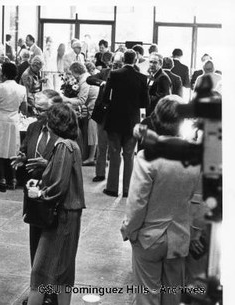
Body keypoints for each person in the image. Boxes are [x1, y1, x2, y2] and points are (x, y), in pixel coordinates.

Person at [121, 95, 201, 305]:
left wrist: (129, 230)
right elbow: (195, 199)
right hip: (179, 235)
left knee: (148, 295)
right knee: (172, 295)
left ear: (156, 119)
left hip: (149, 237)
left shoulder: (148, 157)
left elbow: (137, 202)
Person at [25, 103, 85, 305]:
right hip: (71, 214)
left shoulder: (62, 146)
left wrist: (38, 192)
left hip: (62, 216)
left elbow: (58, 187)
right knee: (63, 271)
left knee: (40, 271)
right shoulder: (72, 144)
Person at [11, 89, 63, 266]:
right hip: (33, 195)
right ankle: (37, 289)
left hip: (53, 196)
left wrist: (47, 164)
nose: (36, 113)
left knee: (53, 247)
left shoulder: (64, 132)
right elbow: (27, 149)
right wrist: (23, 157)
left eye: (42, 110)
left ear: (55, 109)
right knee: (35, 243)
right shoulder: (33, 127)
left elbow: (68, 165)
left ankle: (50, 291)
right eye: (35, 108)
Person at [102, 50, 149, 198]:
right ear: (135, 60)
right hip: (132, 120)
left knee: (115, 153)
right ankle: (128, 189)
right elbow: (145, 102)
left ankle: (112, 188)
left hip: (114, 118)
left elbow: (105, 96)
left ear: (123, 59)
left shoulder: (114, 74)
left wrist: (110, 104)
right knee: (129, 156)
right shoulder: (142, 77)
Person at [0, 62, 27, 186]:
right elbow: (24, 108)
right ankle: (13, 178)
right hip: (14, 120)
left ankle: (2, 178)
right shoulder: (22, 88)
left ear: (4, 74)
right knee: (13, 149)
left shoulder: (0, 87)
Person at [87, 53, 122, 182]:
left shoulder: (123, 75)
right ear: (110, 63)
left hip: (116, 114)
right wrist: (101, 82)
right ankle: (100, 173)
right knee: (101, 146)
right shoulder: (105, 72)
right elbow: (89, 79)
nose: (116, 66)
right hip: (102, 113)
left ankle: (113, 177)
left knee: (114, 147)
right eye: (114, 64)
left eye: (119, 64)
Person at [66, 62, 99, 165]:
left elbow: (81, 100)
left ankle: (91, 158)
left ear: (76, 72)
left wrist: (66, 100)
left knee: (92, 133)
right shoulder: (86, 77)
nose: (72, 76)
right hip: (93, 107)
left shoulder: (84, 80)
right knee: (93, 133)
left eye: (72, 73)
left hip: (94, 108)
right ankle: (94, 157)